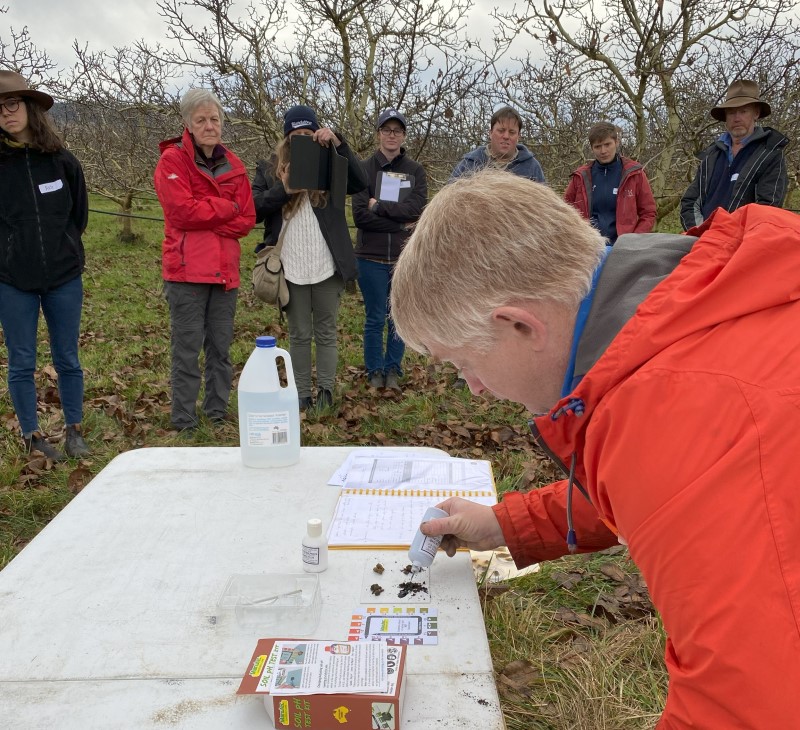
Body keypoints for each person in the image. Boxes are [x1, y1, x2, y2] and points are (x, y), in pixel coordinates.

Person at [390, 168, 800, 727]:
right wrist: (510, 525)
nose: (475, 388)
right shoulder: (679, 309)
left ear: (518, 325)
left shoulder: (678, 408)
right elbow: (668, 490)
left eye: (464, 364)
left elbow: (747, 707)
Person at [252, 105, 368, 411]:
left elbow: (359, 182)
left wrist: (338, 143)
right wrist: (285, 188)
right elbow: (252, 210)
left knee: (326, 331)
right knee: (300, 334)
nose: (302, 138)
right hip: (290, 267)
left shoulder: (329, 162)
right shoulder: (269, 168)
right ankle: (301, 394)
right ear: (286, 136)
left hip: (326, 264)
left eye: (308, 133)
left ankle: (326, 393)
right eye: (296, 134)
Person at [0, 70, 90, 460]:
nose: (5, 113)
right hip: (12, 280)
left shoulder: (62, 162)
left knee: (67, 357)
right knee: (21, 361)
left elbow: (79, 216)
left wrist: (63, 247)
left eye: (12, 103)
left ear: (30, 107)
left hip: (63, 277)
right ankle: (33, 436)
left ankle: (74, 429)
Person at [154, 88, 255, 431]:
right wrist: (225, 208)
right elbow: (181, 212)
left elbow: (246, 219)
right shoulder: (172, 161)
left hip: (225, 273)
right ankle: (183, 418)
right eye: (202, 120)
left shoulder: (235, 165)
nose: (210, 125)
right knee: (186, 350)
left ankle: (216, 411)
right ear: (188, 124)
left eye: (215, 119)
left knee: (221, 348)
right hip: (186, 273)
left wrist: (208, 212)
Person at [352, 108, 427, 392]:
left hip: (402, 258)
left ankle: (393, 368)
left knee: (398, 317)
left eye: (397, 130)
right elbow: (360, 215)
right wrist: (398, 224)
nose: (391, 135)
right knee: (374, 318)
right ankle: (374, 371)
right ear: (378, 134)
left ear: (404, 135)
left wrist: (380, 207)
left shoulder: (415, 170)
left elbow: (417, 209)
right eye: (386, 130)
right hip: (369, 257)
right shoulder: (362, 169)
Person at [680, 79, 789, 231]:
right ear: (725, 117)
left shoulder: (770, 154)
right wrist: (700, 232)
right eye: (731, 112)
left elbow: (767, 209)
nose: (737, 118)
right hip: (703, 242)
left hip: (743, 243)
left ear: (755, 113)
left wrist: (729, 238)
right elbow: (690, 202)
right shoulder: (711, 155)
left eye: (743, 111)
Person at [564, 121, 656, 243]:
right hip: (589, 247)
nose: (603, 151)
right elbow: (564, 211)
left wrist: (634, 239)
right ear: (592, 148)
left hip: (624, 247)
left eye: (607, 144)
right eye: (598, 146)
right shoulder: (581, 177)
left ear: (616, 142)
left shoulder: (634, 173)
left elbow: (648, 212)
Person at [450, 105, 545, 183]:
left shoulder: (532, 167)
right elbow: (448, 199)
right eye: (501, 131)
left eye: (512, 132)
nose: (506, 136)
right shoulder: (469, 164)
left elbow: (545, 203)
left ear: (518, 136)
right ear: (490, 133)